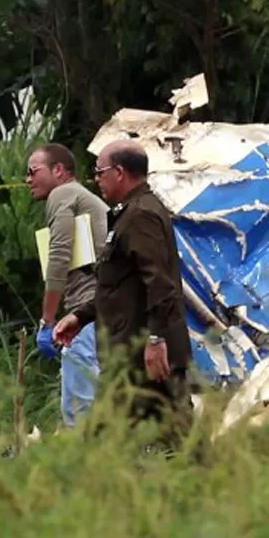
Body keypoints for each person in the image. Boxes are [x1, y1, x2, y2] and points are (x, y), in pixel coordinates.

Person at [53, 141, 193, 445]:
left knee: (161, 440)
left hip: (147, 356)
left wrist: (156, 340)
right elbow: (119, 285)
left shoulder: (141, 215)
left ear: (119, 172)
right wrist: (81, 316)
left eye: (100, 172)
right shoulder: (130, 213)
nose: (97, 180)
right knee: (171, 441)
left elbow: (160, 283)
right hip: (131, 354)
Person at [26, 143, 107, 428]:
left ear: (58, 170)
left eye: (33, 171)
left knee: (79, 408)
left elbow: (58, 255)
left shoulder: (63, 193)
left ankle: (85, 469)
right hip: (104, 308)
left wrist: (47, 321)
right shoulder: (85, 198)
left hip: (86, 310)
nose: (28, 179)